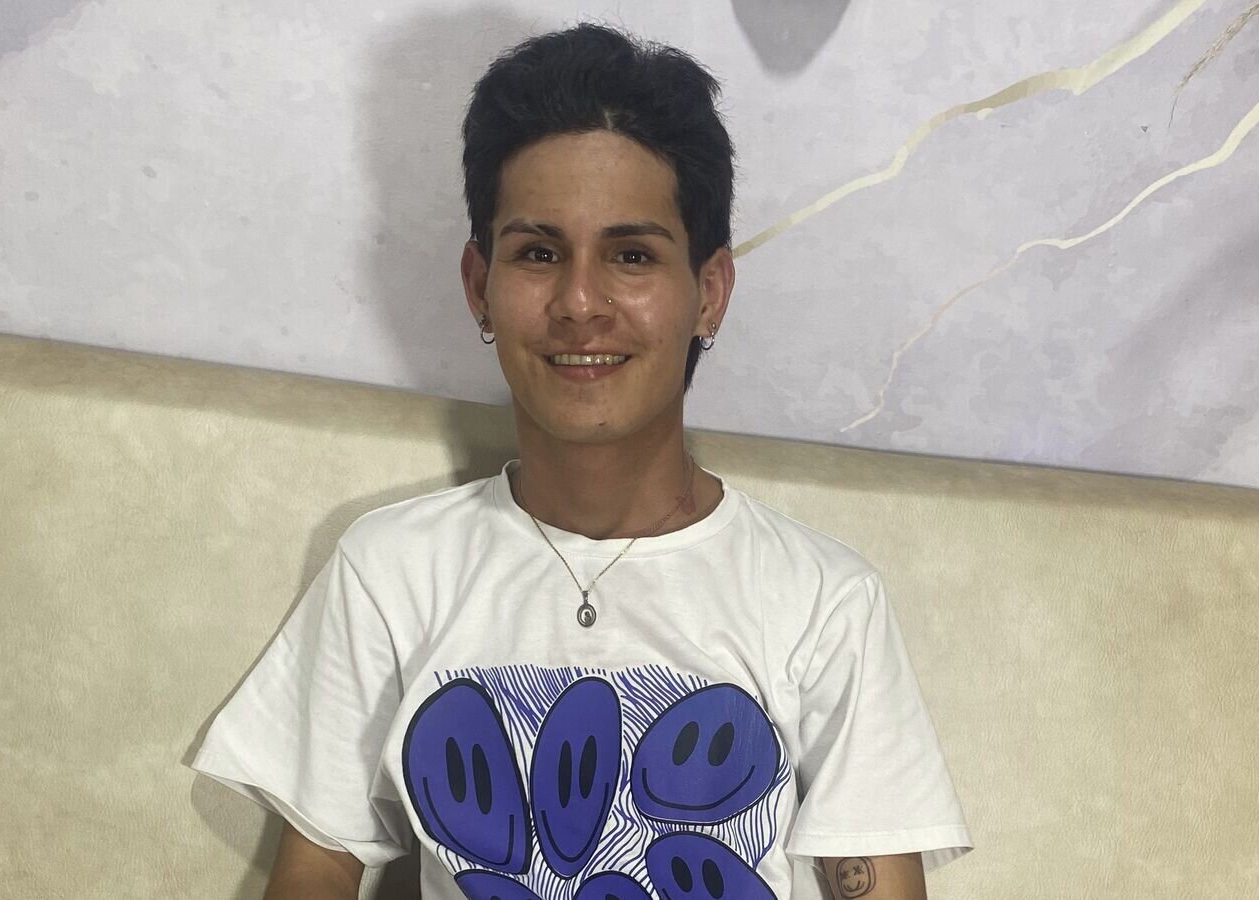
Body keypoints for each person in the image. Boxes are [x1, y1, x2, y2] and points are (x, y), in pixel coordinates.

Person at [188, 22, 972, 900]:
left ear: (708, 293)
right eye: (539, 253)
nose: (580, 302)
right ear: (479, 285)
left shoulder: (824, 603)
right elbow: (315, 874)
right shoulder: (390, 571)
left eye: (632, 255)